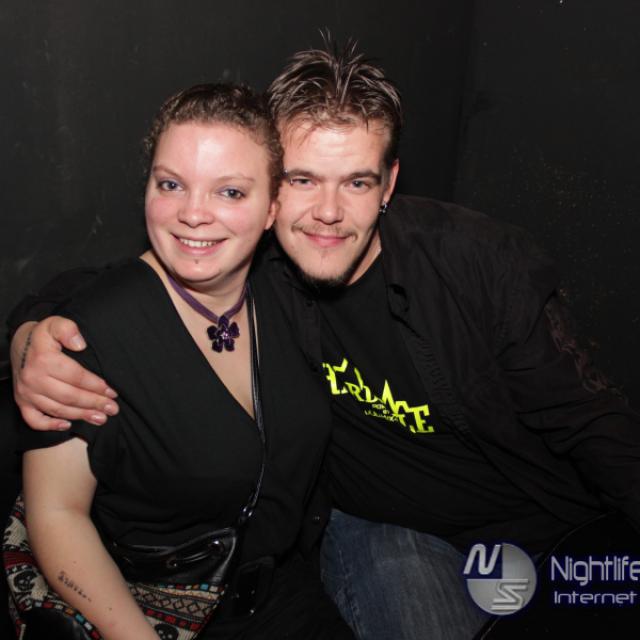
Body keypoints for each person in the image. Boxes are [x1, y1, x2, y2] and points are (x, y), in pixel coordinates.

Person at [9, 43, 640, 640]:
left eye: (357, 183)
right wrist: (30, 336)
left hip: (532, 522)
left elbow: (591, 422)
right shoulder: (256, 265)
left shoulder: (476, 264)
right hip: (389, 531)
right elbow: (118, 285)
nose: (329, 213)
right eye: (304, 180)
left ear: (388, 185)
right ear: (272, 191)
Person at [7, 82, 354, 639]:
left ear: (272, 207)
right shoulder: (85, 334)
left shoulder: (287, 293)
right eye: (171, 184)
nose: (193, 214)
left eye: (230, 192)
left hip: (284, 598)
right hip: (146, 612)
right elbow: (57, 514)